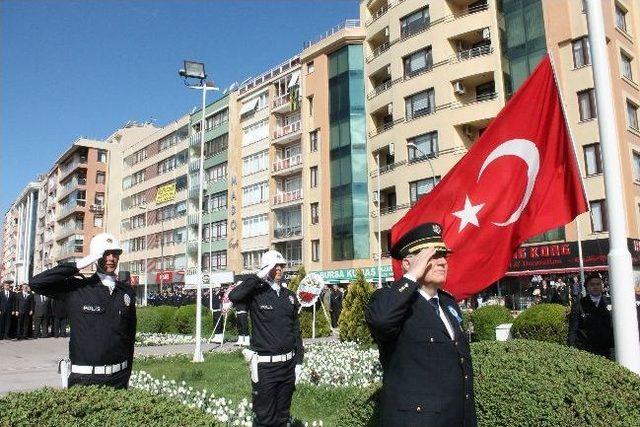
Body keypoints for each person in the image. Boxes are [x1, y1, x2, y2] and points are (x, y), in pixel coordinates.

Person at [366, 223, 476, 427]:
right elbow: (381, 320)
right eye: (432, 257)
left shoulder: (448, 303)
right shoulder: (389, 301)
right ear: (408, 264)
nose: (442, 262)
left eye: (443, 256)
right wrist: (411, 277)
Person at [30, 233, 136, 389]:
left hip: (119, 378)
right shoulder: (78, 289)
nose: (111, 258)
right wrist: (79, 264)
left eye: (115, 254)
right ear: (95, 256)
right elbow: (36, 283)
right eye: (106, 253)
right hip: (85, 379)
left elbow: (129, 338)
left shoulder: (125, 292)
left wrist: (126, 373)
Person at [229, 250, 304, 427]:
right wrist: (258, 277)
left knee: (283, 416)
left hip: (288, 366)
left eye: (281, 266)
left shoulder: (290, 297)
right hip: (265, 368)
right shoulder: (257, 294)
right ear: (266, 268)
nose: (279, 269)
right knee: (264, 418)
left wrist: (299, 362)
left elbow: (296, 331)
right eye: (275, 266)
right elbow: (234, 296)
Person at [568, 273, 614, 358]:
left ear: (602, 286)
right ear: (587, 287)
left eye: (598, 284)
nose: (595, 287)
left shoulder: (611, 302)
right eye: (592, 284)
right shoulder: (579, 304)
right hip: (586, 350)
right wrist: (571, 350)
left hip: (607, 349)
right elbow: (573, 329)